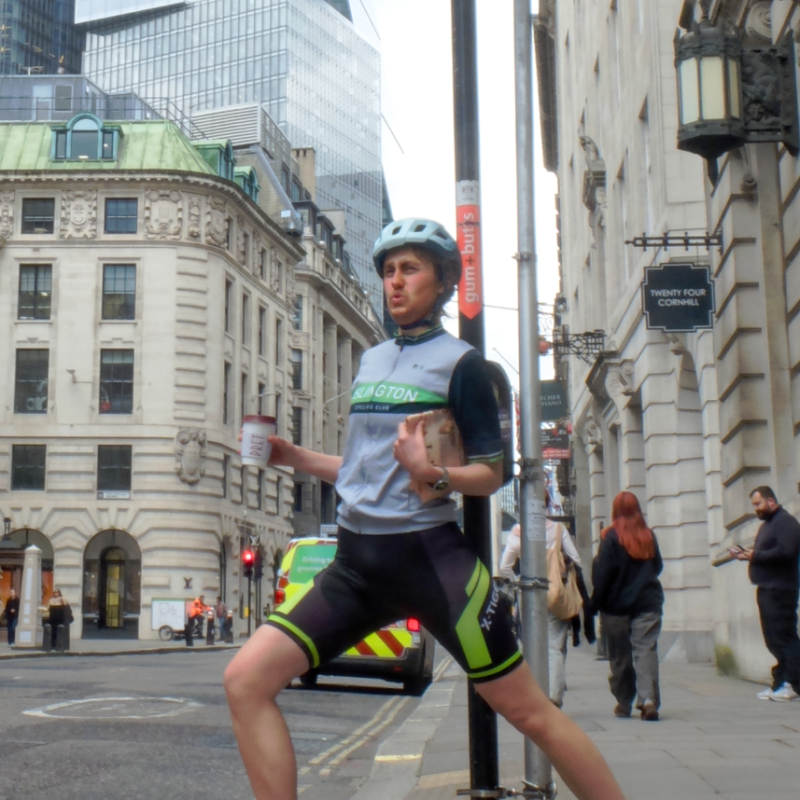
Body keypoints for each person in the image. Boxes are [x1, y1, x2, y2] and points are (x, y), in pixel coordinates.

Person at [224, 218, 625, 800]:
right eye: (388, 270)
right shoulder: (372, 361)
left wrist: (430, 473)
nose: (395, 282)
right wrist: (293, 456)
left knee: (530, 713)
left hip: (433, 565)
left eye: (409, 269)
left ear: (441, 282)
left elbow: (491, 475)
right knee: (244, 680)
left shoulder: (464, 366)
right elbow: (362, 470)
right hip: (355, 569)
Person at [590, 491, 664, 721]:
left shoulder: (610, 537)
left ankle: (624, 702)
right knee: (645, 651)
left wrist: (595, 604)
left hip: (616, 607)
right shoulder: (648, 536)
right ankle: (648, 700)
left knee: (620, 655)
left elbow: (602, 574)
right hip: (647, 603)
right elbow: (658, 566)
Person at [732, 486, 800, 702]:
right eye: (754, 505)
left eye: (758, 504)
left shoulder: (786, 522)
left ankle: (793, 683)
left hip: (781, 589)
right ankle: (780, 682)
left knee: (784, 636)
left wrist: (756, 555)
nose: (756, 509)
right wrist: (746, 556)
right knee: (772, 638)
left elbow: (786, 551)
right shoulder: (769, 524)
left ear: (771, 501)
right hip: (767, 588)